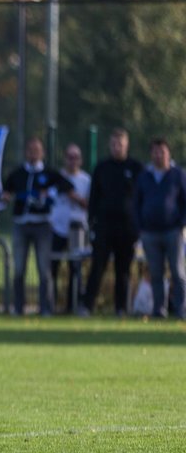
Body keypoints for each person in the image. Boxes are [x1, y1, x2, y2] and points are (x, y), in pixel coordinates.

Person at [1, 137, 77, 316]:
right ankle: (18, 309)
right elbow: (6, 193)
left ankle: (46, 309)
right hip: (21, 225)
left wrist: (50, 193)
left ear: (42, 152)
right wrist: (6, 197)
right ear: (26, 152)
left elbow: (68, 187)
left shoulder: (50, 174)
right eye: (30, 150)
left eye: (37, 150)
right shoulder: (17, 174)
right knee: (19, 269)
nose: (33, 153)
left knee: (44, 270)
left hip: (43, 225)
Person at [81, 128, 142, 316]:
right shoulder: (102, 167)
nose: (117, 148)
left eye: (121, 144)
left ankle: (120, 308)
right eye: (114, 144)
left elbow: (141, 198)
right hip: (104, 227)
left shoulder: (135, 168)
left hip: (127, 228)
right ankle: (87, 306)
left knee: (123, 270)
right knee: (97, 267)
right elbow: (93, 198)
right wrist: (92, 222)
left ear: (127, 145)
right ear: (110, 145)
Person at [133, 138, 186, 319]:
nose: (158, 155)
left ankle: (181, 310)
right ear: (151, 154)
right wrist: (140, 227)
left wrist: (182, 225)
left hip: (173, 231)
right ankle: (158, 310)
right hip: (150, 233)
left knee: (177, 272)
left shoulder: (178, 174)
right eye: (155, 152)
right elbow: (136, 203)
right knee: (156, 273)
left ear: (168, 153)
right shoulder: (144, 176)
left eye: (162, 151)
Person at [49, 144, 91, 313]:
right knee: (52, 268)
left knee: (76, 269)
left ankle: (73, 306)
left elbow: (90, 204)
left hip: (78, 228)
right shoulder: (56, 178)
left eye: (76, 157)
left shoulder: (86, 180)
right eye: (69, 157)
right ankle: (51, 306)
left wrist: (76, 197)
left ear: (80, 160)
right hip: (57, 228)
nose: (73, 161)